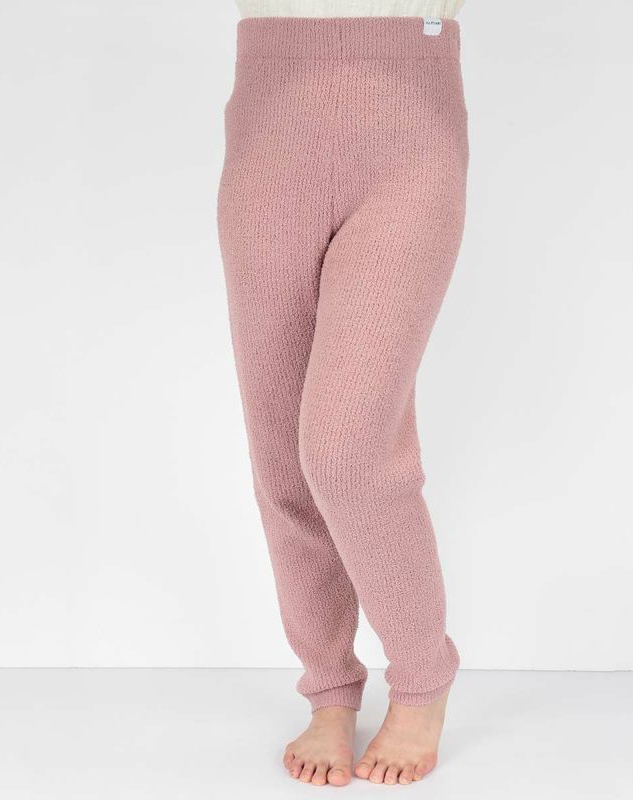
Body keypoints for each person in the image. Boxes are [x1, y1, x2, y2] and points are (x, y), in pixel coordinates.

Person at [217, 0, 468, 786]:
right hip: (269, 134)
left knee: (346, 452)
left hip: (410, 133)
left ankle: (423, 678)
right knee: (282, 455)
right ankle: (328, 687)